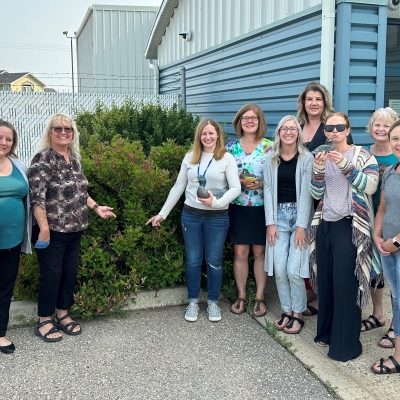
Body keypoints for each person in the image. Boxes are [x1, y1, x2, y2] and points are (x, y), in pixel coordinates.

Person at [28, 113, 116, 342]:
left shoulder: (74, 158)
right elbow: (36, 197)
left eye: (68, 128)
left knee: (68, 274)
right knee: (51, 275)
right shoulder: (43, 159)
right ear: (50, 132)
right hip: (51, 231)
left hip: (75, 229)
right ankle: (44, 319)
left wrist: (96, 207)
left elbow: (80, 191)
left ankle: (63, 314)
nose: (63, 132)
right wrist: (44, 229)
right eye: (58, 128)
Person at [146, 118, 241, 322]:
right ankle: (192, 302)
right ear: (199, 136)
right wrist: (162, 213)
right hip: (191, 215)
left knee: (214, 261)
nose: (207, 137)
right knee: (193, 260)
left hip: (217, 217)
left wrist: (216, 203)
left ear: (218, 135)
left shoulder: (226, 158)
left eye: (211, 133)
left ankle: (213, 303)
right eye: (204, 133)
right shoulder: (190, 157)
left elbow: (236, 188)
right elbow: (179, 187)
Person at [309, 112, 379, 361]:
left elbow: (371, 186)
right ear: (325, 132)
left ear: (348, 130)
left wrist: (346, 167)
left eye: (340, 127)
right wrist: (318, 169)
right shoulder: (321, 156)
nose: (335, 131)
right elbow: (316, 192)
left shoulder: (361, 155)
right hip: (326, 223)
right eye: (330, 128)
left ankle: (346, 345)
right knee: (327, 283)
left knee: (346, 284)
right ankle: (327, 334)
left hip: (351, 226)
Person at [263, 116, 313, 334]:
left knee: (294, 269)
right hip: (278, 217)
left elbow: (307, 195)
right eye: (285, 128)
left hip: (299, 217)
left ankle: (299, 312)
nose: (289, 132)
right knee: (280, 268)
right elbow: (267, 190)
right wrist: (270, 223)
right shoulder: (271, 159)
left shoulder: (306, 158)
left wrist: (302, 226)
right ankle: (287, 310)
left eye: (293, 128)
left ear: (298, 133)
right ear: (279, 132)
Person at [225, 104, 272, 316]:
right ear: (239, 122)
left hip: (263, 207)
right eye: (245, 118)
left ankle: (260, 296)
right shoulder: (230, 148)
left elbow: (278, 178)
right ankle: (242, 295)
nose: (249, 121)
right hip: (239, 206)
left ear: (259, 121)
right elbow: (222, 176)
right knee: (240, 252)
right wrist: (238, 184)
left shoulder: (270, 147)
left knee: (260, 252)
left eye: (253, 118)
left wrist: (261, 184)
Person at [361, 108, 398, 349]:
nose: (381, 129)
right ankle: (378, 313)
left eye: (387, 125)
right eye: (377, 125)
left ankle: (396, 324)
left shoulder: (396, 159)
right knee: (376, 269)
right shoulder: (365, 154)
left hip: (395, 222)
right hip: (370, 217)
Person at [0, 120, 32, 354]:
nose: (3, 142)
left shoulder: (19, 165)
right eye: (0, 138)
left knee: (5, 286)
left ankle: (0, 333)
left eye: (8, 139)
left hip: (11, 239)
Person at [371, 119, 400, 374]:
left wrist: (395, 242)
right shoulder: (391, 171)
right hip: (387, 247)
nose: (399, 143)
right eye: (396, 139)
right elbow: (382, 208)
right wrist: (378, 236)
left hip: (396, 246)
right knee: (398, 299)